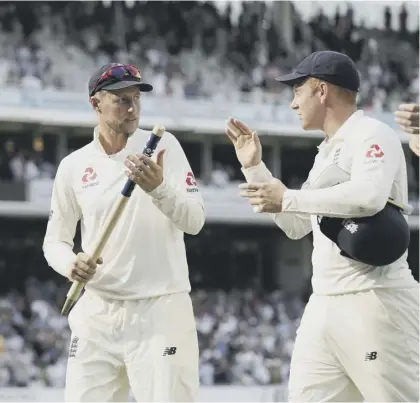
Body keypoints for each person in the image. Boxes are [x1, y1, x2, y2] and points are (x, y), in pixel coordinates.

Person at [226, 51, 419, 402]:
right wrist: (255, 169)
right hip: (324, 304)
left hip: (377, 302)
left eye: (297, 91)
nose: (292, 103)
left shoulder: (372, 134)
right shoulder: (325, 154)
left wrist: (288, 197)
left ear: (322, 90)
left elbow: (369, 197)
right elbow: (296, 227)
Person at [43, 63, 205, 402]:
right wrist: (71, 265)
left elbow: (194, 220)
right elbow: (55, 241)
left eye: (135, 99)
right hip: (97, 313)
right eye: (120, 100)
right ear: (95, 104)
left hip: (159, 309)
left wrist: (159, 188)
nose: (132, 108)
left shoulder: (164, 146)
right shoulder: (73, 166)